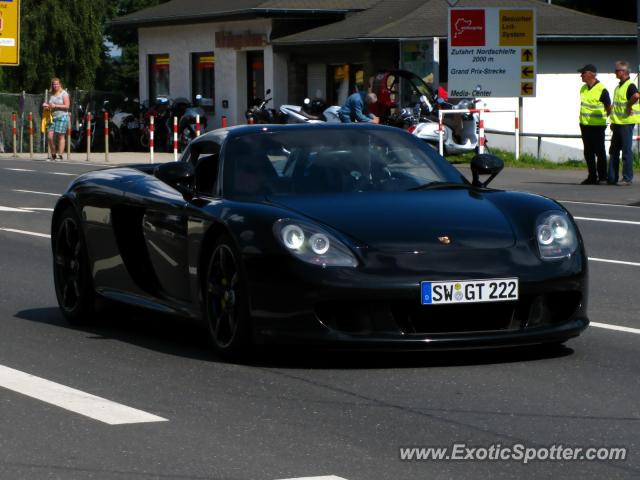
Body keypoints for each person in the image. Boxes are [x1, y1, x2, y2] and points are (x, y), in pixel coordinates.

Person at [577, 64, 611, 185]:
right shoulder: (583, 88)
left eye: (583, 73)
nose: (581, 75)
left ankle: (602, 177)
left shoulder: (602, 90)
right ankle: (592, 176)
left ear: (591, 74)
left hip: (597, 126)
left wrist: (607, 121)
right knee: (588, 152)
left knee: (599, 151)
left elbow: (609, 107)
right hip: (585, 125)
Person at [608, 61, 640, 186]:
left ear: (624, 72)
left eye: (617, 70)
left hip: (626, 123)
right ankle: (612, 177)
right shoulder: (619, 86)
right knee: (614, 151)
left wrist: (629, 105)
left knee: (626, 151)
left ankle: (627, 178)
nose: (615, 72)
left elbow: (636, 95)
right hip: (617, 122)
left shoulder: (629, 85)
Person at [42, 78, 70, 160]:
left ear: (60, 85)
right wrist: (46, 106)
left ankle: (60, 154)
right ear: (52, 85)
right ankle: (53, 152)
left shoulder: (64, 94)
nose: (55, 86)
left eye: (57, 84)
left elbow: (67, 106)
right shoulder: (50, 94)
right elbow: (49, 104)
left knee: (60, 136)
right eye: (54, 84)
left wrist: (56, 106)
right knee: (50, 137)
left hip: (62, 116)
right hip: (52, 117)